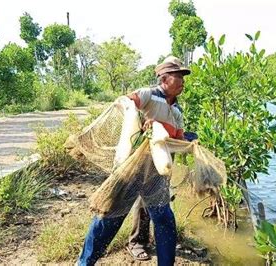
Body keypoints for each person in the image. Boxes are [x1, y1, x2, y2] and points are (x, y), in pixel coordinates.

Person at [78, 56, 191, 266]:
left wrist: (188, 144)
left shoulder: (177, 111)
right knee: (109, 218)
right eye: (178, 77)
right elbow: (124, 102)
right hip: (130, 169)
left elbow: (179, 139)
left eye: (183, 77)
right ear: (164, 79)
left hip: (156, 176)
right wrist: (139, 120)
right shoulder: (149, 94)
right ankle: (84, 263)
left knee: (164, 220)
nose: (183, 82)